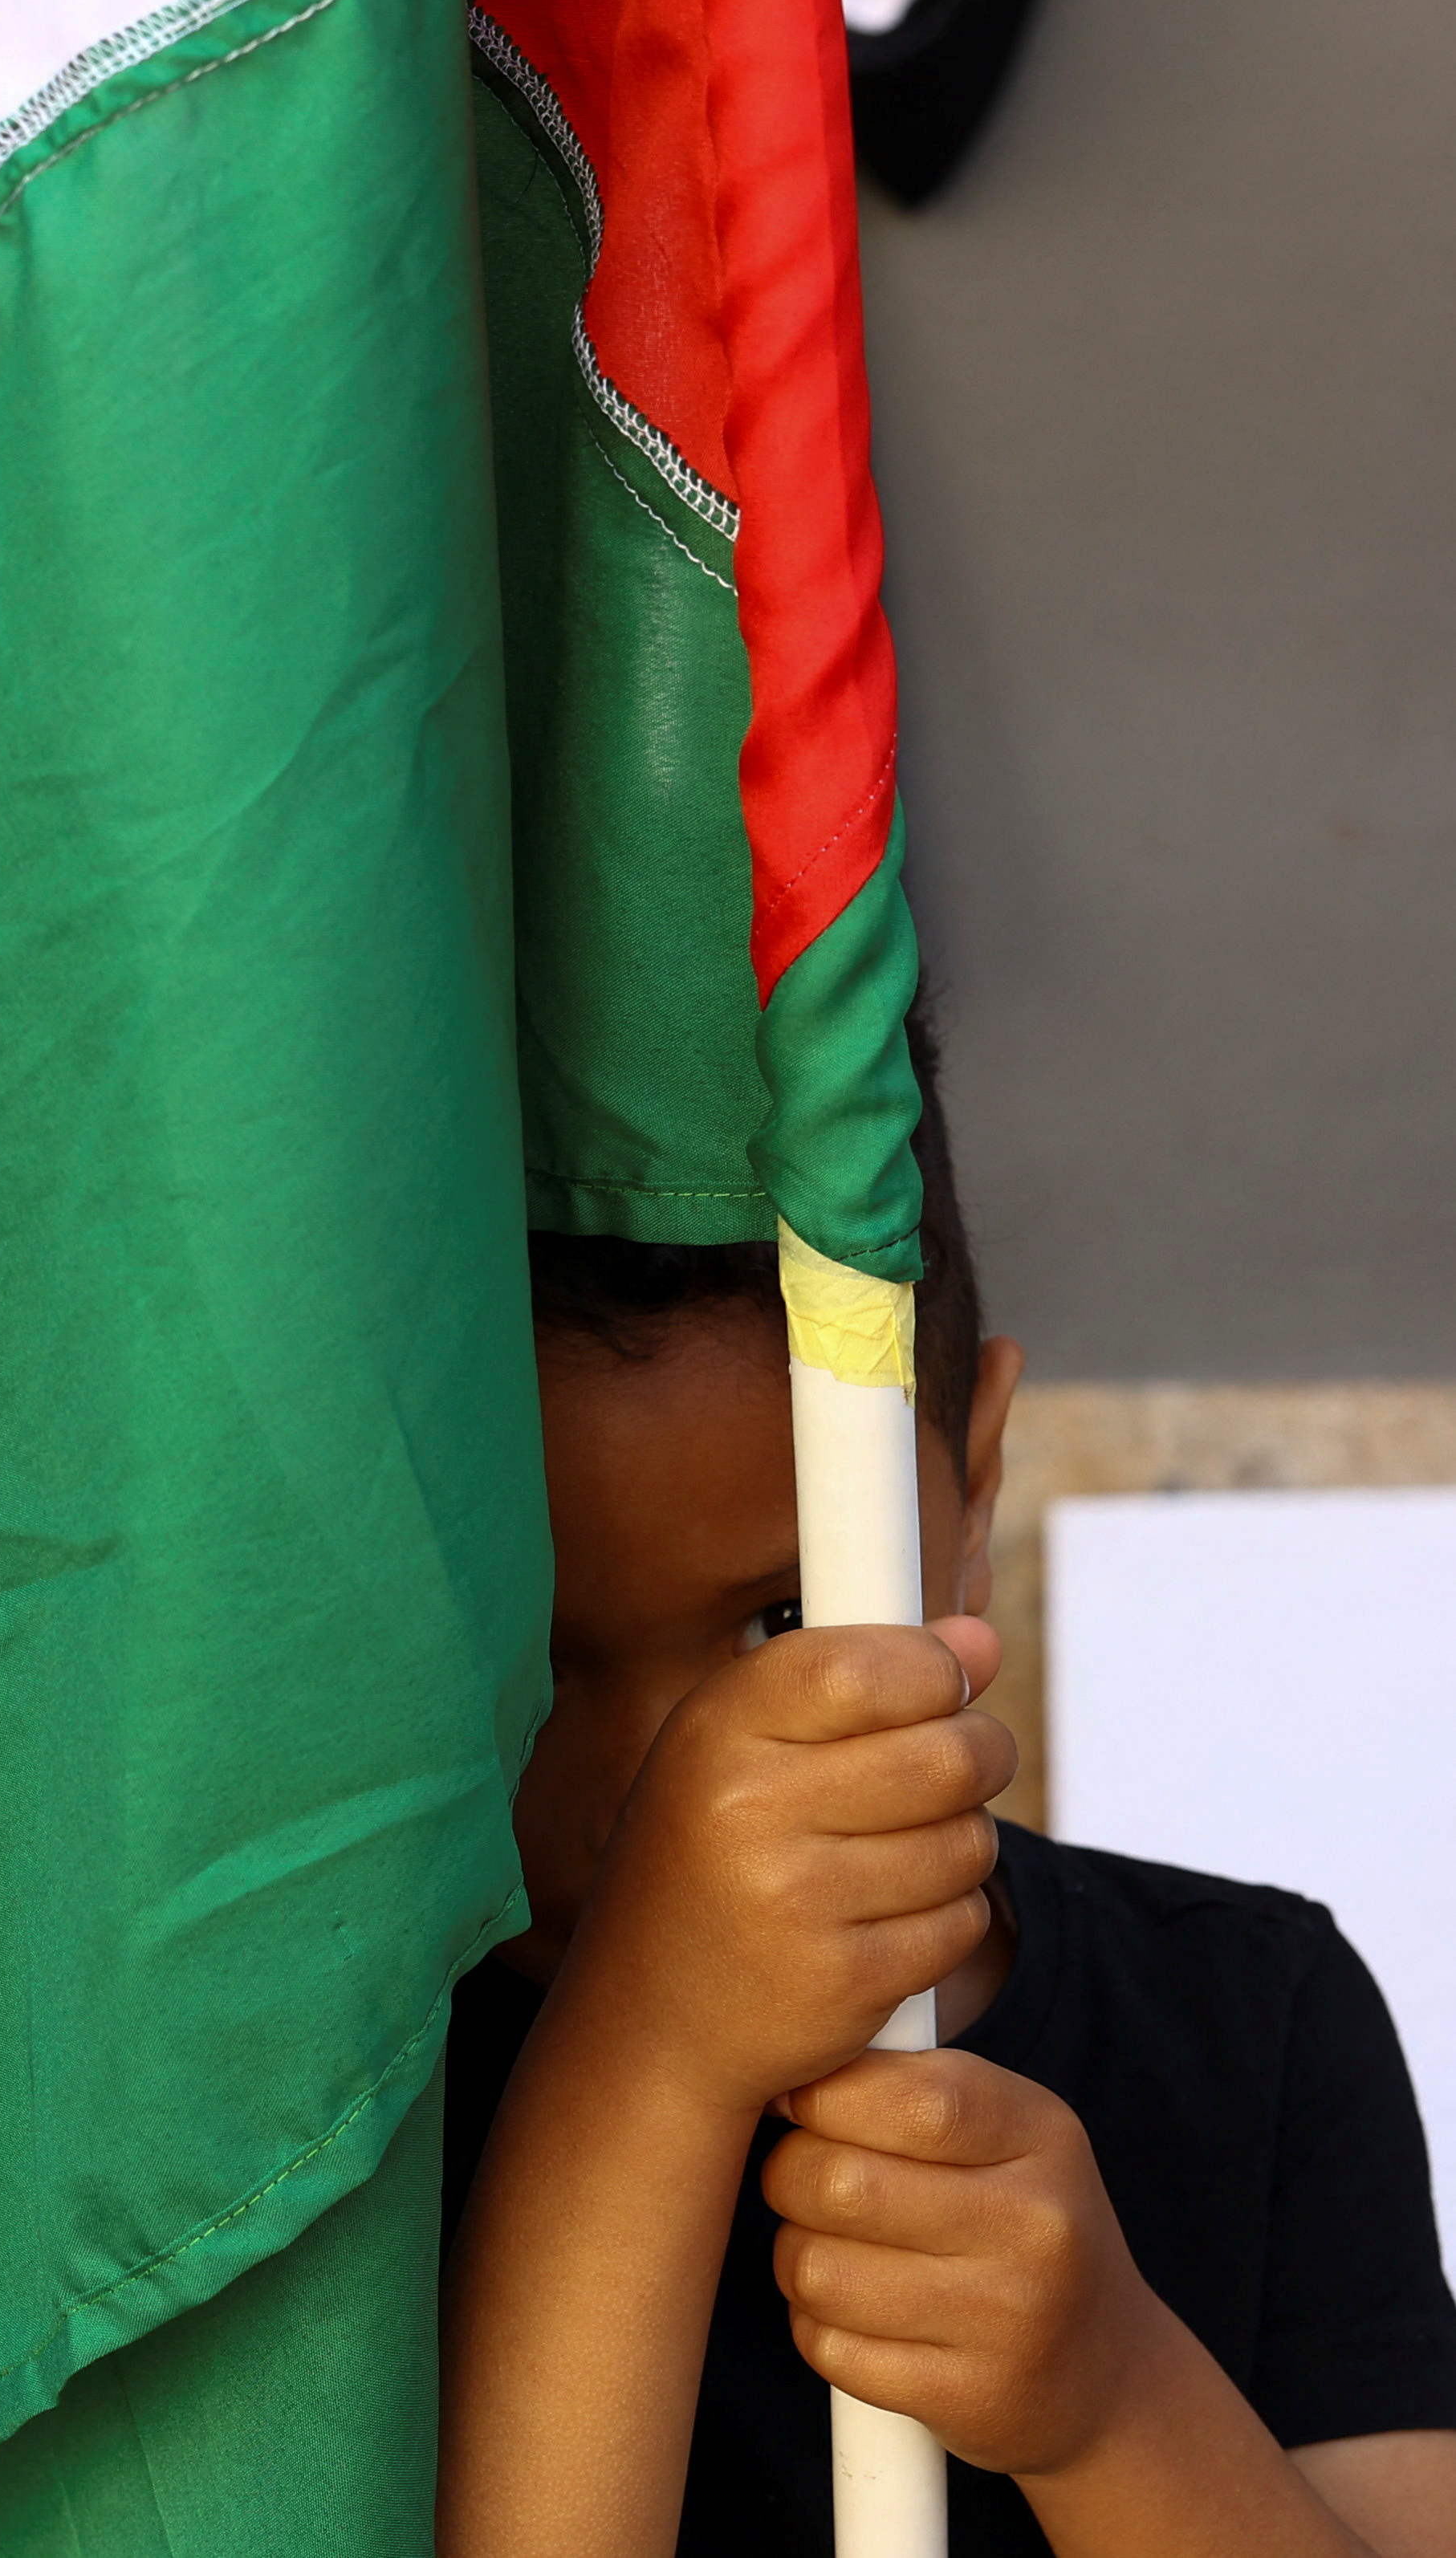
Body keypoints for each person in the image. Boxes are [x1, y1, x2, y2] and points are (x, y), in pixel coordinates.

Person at [437, 1029, 1456, 2556]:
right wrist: (649, 2055)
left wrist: (1115, 2403)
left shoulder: (1255, 2013)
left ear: (976, 1485)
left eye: (784, 1622)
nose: (671, 1794)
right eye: (526, 1658)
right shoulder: (329, 2106)